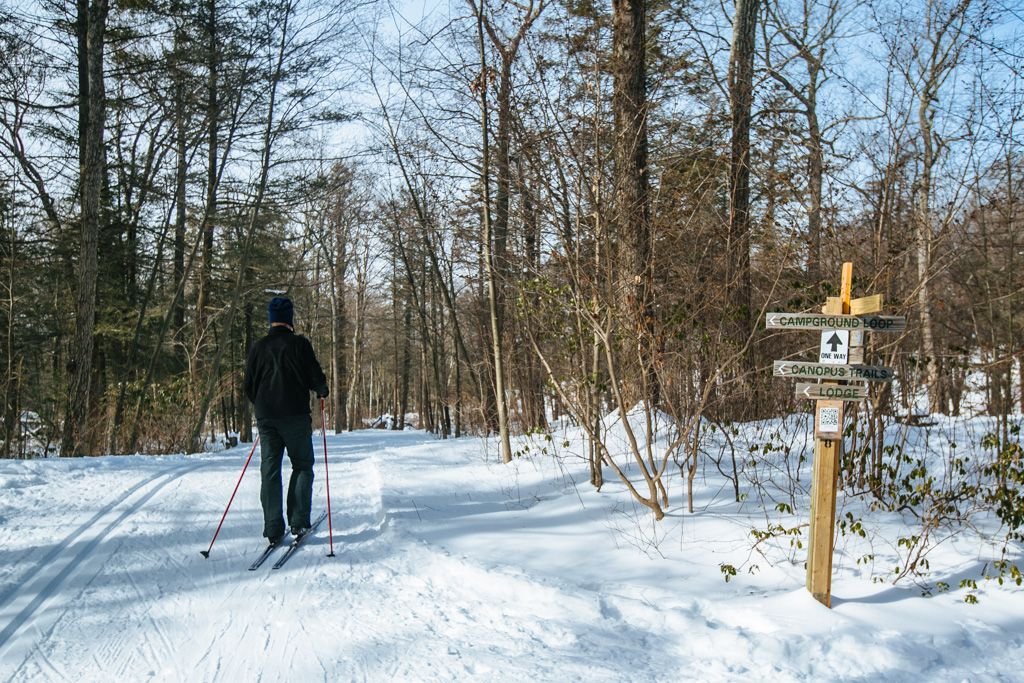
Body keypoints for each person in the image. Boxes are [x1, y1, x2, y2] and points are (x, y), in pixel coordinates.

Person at [244, 296, 329, 545]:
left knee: (270, 470)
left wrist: (261, 405)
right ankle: (298, 521)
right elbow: (314, 375)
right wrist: (322, 389)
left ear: (271, 320)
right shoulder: (299, 345)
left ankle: (272, 527)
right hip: (295, 415)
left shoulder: (258, 347)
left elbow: (249, 385)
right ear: (290, 319)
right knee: (302, 465)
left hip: (267, 417)